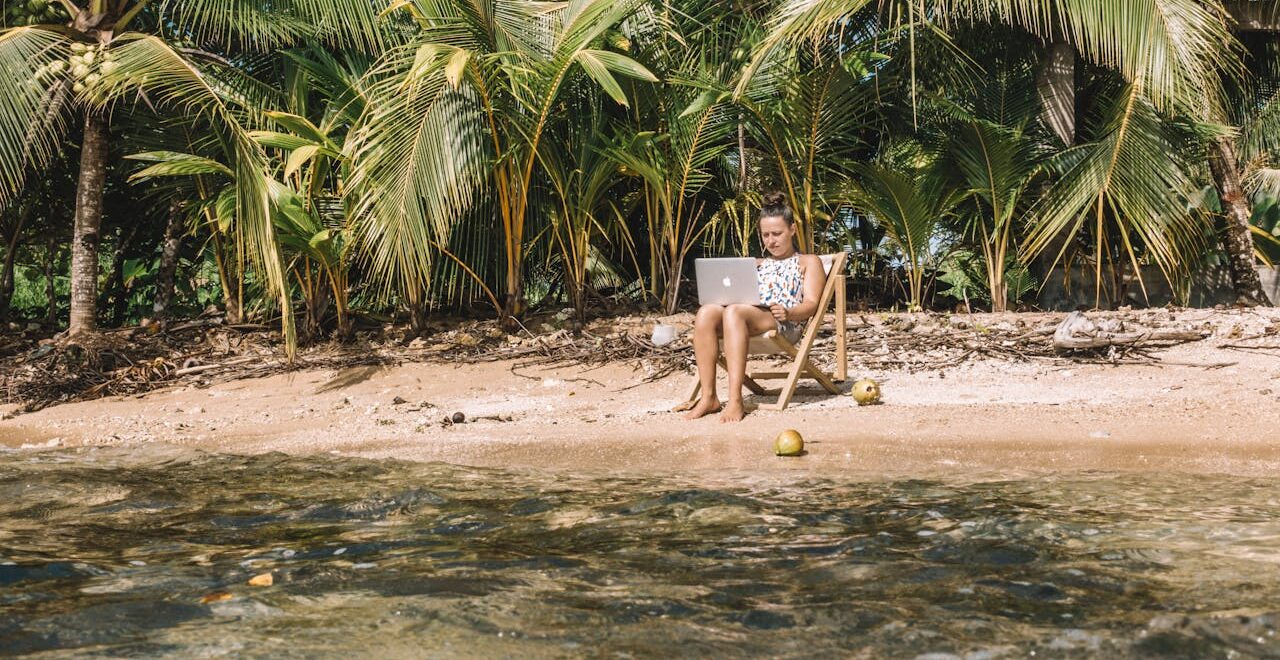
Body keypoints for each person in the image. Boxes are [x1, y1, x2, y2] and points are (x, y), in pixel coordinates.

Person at [683, 193, 826, 423]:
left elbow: (811, 304)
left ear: (792, 230)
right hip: (744, 319)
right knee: (707, 312)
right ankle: (708, 397)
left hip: (784, 323)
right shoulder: (756, 264)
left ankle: (736, 400)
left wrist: (789, 312)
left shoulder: (808, 262)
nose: (771, 241)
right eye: (766, 235)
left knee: (734, 311)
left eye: (777, 233)